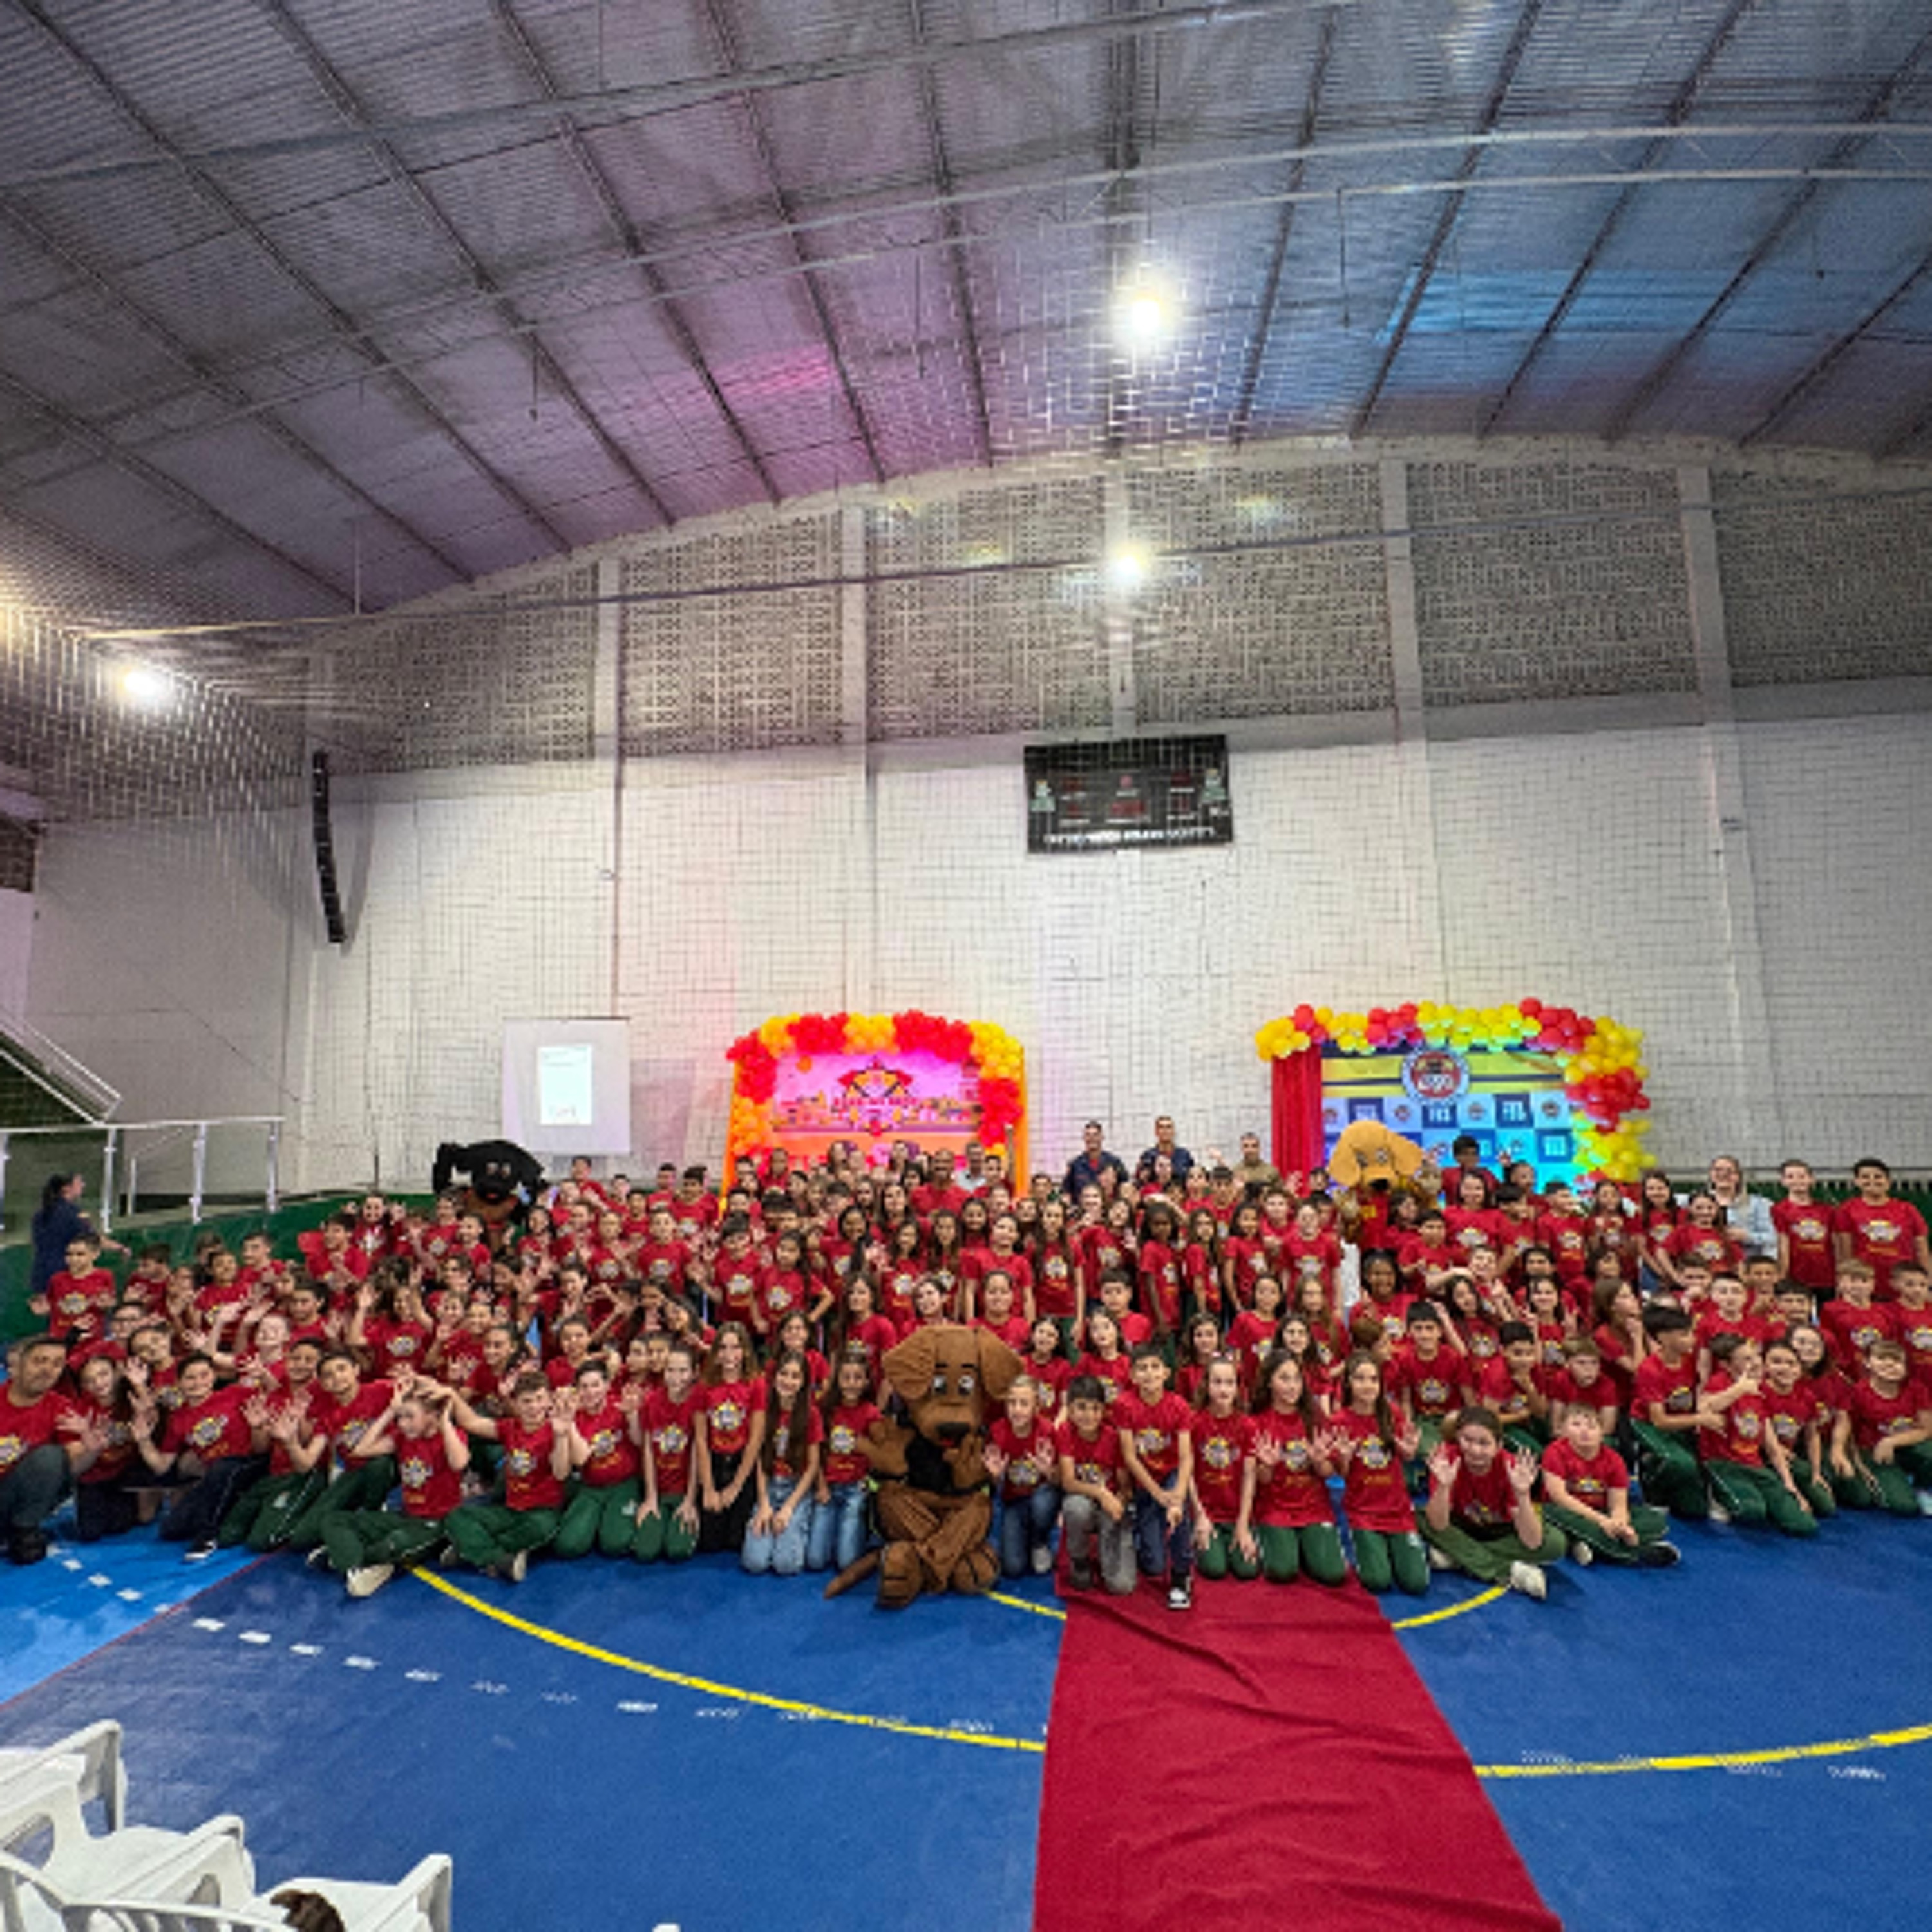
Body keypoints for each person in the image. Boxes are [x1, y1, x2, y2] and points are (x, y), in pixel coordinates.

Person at [315, 1379, 470, 1597]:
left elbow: (459, 1463)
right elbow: (361, 1450)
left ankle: (344, 1554)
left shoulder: (450, 1437)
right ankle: (356, 1564)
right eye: (401, 1417)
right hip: (405, 1516)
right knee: (334, 1520)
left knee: (394, 1543)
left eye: (410, 1417)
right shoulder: (401, 1438)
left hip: (436, 1522)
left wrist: (445, 1423)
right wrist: (389, 1412)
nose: (403, 1424)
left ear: (433, 1416)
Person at [129, 1351, 267, 1558]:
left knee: (224, 1468)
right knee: (171, 1529)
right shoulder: (178, 1419)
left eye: (204, 1375)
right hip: (215, 1476)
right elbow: (162, 1466)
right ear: (180, 1383)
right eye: (190, 1378)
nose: (198, 1382)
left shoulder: (236, 1393)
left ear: (214, 1377)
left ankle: (208, 1535)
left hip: (250, 1462)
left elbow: (276, 1395)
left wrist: (258, 1424)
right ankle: (234, 1512)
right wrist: (144, 1441)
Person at [1421, 1407, 1564, 1599]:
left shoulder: (1510, 1466)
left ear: (1498, 1445)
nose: (1474, 1450)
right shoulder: (1446, 1459)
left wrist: (1522, 1495)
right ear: (1457, 1437)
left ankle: (1458, 1556)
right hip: (1461, 1525)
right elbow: (1439, 1525)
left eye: (1484, 1443)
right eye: (1467, 1440)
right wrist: (1444, 1487)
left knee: (1555, 1543)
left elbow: (1532, 1541)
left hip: (1501, 1531)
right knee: (1420, 1519)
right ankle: (1509, 1571)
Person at [442, 1372, 571, 1580]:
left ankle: (468, 1551)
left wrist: (562, 1435)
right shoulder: (510, 1427)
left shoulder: (555, 1429)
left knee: (542, 1529)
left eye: (539, 1399)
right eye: (527, 1401)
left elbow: (561, 1472)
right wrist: (451, 1394)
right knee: (457, 1516)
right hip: (510, 1511)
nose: (534, 1407)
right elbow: (472, 1422)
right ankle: (498, 1559)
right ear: (516, 1404)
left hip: (542, 1513)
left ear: (549, 1400)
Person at [1236, 1350, 1348, 1586]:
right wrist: (1267, 1465)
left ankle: (1309, 1545)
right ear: (1269, 1382)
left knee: (1334, 1575)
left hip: (1313, 1507)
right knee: (1283, 1571)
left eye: (1297, 1378)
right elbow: (1261, 1481)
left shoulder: (1315, 1417)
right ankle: (1289, 1545)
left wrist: (1319, 1462)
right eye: (1284, 1378)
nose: (1292, 1386)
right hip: (1275, 1508)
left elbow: (1329, 1472)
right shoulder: (1257, 1422)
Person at [1327, 1350, 1427, 1595]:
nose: (1368, 1385)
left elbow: (1405, 1456)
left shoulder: (1392, 1413)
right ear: (1349, 1382)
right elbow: (1342, 1475)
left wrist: (1409, 1452)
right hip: (1363, 1511)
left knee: (1417, 1584)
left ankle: (1406, 1549)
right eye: (1360, 1378)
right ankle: (1373, 1547)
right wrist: (1345, 1459)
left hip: (1398, 1509)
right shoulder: (1338, 1421)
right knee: (1377, 1581)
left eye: (1373, 1379)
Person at [1539, 1405, 1678, 1567]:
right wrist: (1602, 1521)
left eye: (1592, 1427)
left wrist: (1621, 1525)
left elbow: (1618, 1503)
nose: (1585, 1431)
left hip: (1602, 1510)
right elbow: (1560, 1497)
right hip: (1567, 1510)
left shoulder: (1614, 1459)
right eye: (1576, 1425)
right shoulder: (1554, 1452)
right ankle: (1637, 1554)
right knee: (1554, 1515)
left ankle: (1588, 1543)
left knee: (1656, 1520)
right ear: (1563, 1431)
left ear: (1601, 1433)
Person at [1114, 1345, 1197, 1609]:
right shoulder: (1124, 1405)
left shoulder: (1179, 1406)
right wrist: (1156, 1493)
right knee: (1153, 1566)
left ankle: (1182, 1575)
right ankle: (1142, 1526)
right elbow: (1130, 1457)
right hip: (1144, 1479)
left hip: (1170, 1473)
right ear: (1133, 1375)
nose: (1149, 1374)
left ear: (1166, 1373)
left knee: (1179, 1513)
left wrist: (1178, 1495)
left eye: (1154, 1367)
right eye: (1142, 1368)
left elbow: (1186, 1457)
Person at [741, 1351, 820, 1577]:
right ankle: (769, 1525)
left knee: (786, 1566)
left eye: (796, 1376)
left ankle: (800, 1524)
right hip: (769, 1485)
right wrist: (764, 1503)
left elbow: (813, 1466)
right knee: (755, 1564)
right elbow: (760, 1459)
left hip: (796, 1489)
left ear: (804, 1382)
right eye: (784, 1374)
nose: (788, 1381)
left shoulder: (811, 1414)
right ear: (774, 1377)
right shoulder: (764, 1411)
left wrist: (789, 1507)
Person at [1055, 1374, 1135, 1595]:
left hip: (1110, 1507)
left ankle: (1113, 1549)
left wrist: (1118, 1503)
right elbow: (1069, 1482)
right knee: (1074, 1508)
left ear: (1103, 1411)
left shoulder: (1113, 1437)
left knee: (1122, 1586)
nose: (1088, 1415)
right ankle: (1079, 1559)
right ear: (1070, 1410)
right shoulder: (1065, 1433)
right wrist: (1101, 1493)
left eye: (1095, 1408)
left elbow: (1124, 1487)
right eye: (1081, 1407)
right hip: (1084, 1500)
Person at [0, 1336, 77, 1563]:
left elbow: (75, 1465)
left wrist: (92, 1449)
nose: (47, 1370)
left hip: (16, 1495)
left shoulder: (61, 1407)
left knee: (52, 1458)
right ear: (19, 1365)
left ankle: (24, 1529)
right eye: (40, 1361)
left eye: (56, 1364)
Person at [808, 1347, 880, 1575]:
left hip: (855, 1490)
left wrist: (869, 1481)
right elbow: (816, 1451)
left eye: (858, 1378)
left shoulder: (872, 1414)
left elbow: (879, 1454)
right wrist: (820, 1485)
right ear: (837, 1380)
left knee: (846, 1563)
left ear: (867, 1382)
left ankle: (858, 1531)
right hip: (827, 1488)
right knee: (815, 1561)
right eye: (846, 1378)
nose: (851, 1384)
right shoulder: (825, 1410)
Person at [696, 1324, 766, 1553]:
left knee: (736, 1541)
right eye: (723, 1348)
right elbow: (701, 1440)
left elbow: (756, 1440)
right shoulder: (704, 1386)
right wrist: (708, 1487)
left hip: (741, 1464)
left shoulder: (756, 1383)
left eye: (735, 1347)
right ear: (716, 1353)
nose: (729, 1355)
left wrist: (736, 1486)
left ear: (745, 1351)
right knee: (709, 1544)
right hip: (714, 1463)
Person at [633, 1340, 705, 1564]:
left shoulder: (697, 1402)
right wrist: (650, 1497)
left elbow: (696, 1453)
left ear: (694, 1373)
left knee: (677, 1551)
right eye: (671, 1370)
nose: (676, 1377)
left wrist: (690, 1500)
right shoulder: (652, 1402)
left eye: (683, 1371)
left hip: (685, 1489)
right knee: (645, 1552)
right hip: (659, 1487)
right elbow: (648, 1451)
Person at [985, 1374, 1060, 1578]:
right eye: (1012, 1403)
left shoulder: (1047, 1430)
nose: (1017, 1409)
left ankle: (1040, 1541)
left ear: (1036, 1408)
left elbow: (1060, 1480)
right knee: (1012, 1568)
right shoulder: (997, 1431)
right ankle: (1024, 1535)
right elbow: (994, 1485)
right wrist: (995, 1477)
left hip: (1042, 1497)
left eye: (1024, 1404)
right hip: (1014, 1502)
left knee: (1042, 1504)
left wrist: (1048, 1472)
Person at [1832, 1158, 1931, 1299]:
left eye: (1878, 1177)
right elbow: (1845, 1251)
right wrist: (1845, 1283)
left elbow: (1922, 1249)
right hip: (1865, 1286)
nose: (1872, 1181)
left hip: (1903, 1285)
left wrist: (1927, 1282)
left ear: (1888, 1181)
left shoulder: (1908, 1210)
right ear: (1857, 1182)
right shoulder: (1847, 1210)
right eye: (1865, 1177)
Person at [28, 1175, 123, 1309]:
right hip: (66, 1272)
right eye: (79, 1183)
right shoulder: (72, 1213)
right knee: (71, 1312)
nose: (83, 1185)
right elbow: (93, 1238)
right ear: (67, 1188)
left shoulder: (40, 1214)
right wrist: (119, 1248)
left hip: (41, 1271)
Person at [1063, 1122, 1128, 1200]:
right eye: (1088, 1135)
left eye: (1095, 1135)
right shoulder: (1075, 1165)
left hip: (1108, 1209)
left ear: (1102, 1137)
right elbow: (1066, 1192)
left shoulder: (1115, 1162)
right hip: (1082, 1210)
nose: (1092, 1138)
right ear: (1084, 1138)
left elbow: (1125, 1188)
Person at [1134, 1117, 1195, 1189]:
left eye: (1168, 1127)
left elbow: (1192, 1179)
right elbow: (1140, 1182)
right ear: (1156, 1132)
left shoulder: (1184, 1155)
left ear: (1173, 1132)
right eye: (1161, 1127)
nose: (1165, 1131)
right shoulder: (1148, 1156)